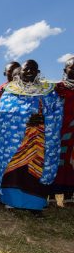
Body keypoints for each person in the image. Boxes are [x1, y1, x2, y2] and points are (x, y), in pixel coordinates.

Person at [0, 59, 63, 213]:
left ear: (38, 72)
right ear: (20, 72)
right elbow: (3, 115)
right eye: (26, 69)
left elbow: (57, 112)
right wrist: (24, 119)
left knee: (36, 172)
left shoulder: (48, 92)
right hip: (15, 140)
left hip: (39, 139)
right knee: (14, 172)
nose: (29, 71)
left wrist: (46, 118)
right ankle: (10, 202)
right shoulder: (10, 92)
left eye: (33, 69)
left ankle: (35, 205)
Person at [50, 57, 74, 205]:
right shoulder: (57, 88)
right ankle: (51, 196)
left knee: (70, 162)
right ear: (65, 70)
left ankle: (69, 195)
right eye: (72, 67)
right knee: (54, 161)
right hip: (57, 130)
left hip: (73, 131)